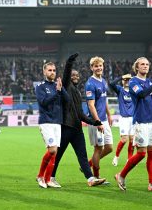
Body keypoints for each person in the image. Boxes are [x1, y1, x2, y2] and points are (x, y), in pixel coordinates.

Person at [50, 54, 106, 187]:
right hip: (66, 127)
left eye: (77, 75)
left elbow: (80, 114)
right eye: (73, 75)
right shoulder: (66, 86)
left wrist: (94, 122)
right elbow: (67, 72)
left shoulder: (77, 92)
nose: (75, 77)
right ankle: (50, 177)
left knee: (82, 155)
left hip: (77, 128)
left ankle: (90, 179)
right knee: (58, 155)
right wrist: (69, 61)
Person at [115, 57, 152, 191]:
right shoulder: (133, 81)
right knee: (141, 153)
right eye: (142, 64)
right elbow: (141, 94)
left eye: (147, 64)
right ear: (137, 67)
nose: (145, 66)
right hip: (140, 122)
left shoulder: (149, 81)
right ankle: (121, 175)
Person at [35, 62, 69, 189]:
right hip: (46, 121)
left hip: (57, 122)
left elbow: (67, 100)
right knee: (52, 150)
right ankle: (40, 176)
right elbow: (43, 102)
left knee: (54, 153)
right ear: (44, 72)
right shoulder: (40, 87)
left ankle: (48, 179)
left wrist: (61, 89)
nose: (52, 72)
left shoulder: (57, 85)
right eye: (49, 70)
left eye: (54, 70)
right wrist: (57, 93)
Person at [85, 56, 113, 179]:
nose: (98, 68)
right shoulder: (90, 83)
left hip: (104, 120)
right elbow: (91, 105)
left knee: (109, 147)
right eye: (96, 66)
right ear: (91, 68)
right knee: (98, 149)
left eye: (100, 65)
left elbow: (104, 99)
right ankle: (96, 177)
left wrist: (109, 114)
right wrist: (98, 122)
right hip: (96, 121)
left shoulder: (103, 81)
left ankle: (88, 164)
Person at [109, 74, 134, 167]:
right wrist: (121, 77)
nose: (127, 81)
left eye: (128, 80)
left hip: (133, 119)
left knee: (132, 139)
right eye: (125, 80)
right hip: (124, 119)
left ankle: (129, 159)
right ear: (122, 81)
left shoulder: (134, 90)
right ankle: (116, 156)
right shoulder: (120, 90)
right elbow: (111, 84)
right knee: (124, 139)